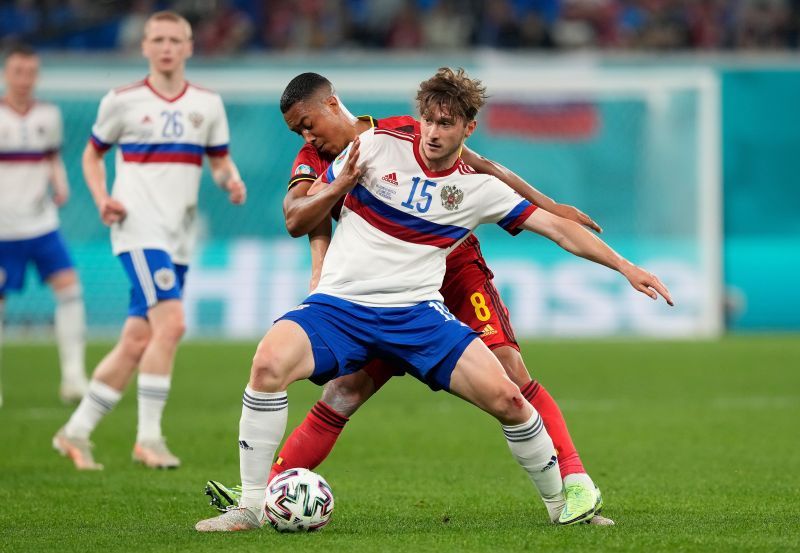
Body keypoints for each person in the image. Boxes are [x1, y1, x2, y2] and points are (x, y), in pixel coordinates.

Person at [195, 67, 672, 532]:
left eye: (446, 124)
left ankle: (565, 499)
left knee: (509, 392)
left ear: (467, 128)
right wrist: (322, 254)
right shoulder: (372, 147)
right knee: (270, 364)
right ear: (417, 117)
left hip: (419, 312)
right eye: (429, 120)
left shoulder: (477, 187)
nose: (433, 132)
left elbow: (548, 222)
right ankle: (252, 504)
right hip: (343, 307)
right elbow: (301, 214)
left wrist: (624, 265)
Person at [52, 11, 246, 470]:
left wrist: (231, 181)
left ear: (189, 46)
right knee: (172, 325)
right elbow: (91, 156)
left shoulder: (207, 104)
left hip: (178, 235)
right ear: (144, 47)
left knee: (137, 339)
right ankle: (149, 437)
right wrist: (102, 198)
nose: (166, 47)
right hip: (137, 228)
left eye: (174, 40)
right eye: (157, 39)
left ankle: (75, 431)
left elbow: (219, 162)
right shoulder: (121, 101)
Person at [0, 44, 88, 407]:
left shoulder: (49, 115)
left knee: (69, 288)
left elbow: (50, 157)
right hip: (3, 227)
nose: (24, 80)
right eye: (18, 72)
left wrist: (60, 183)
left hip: (41, 223)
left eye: (31, 73)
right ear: (7, 74)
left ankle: (73, 377)